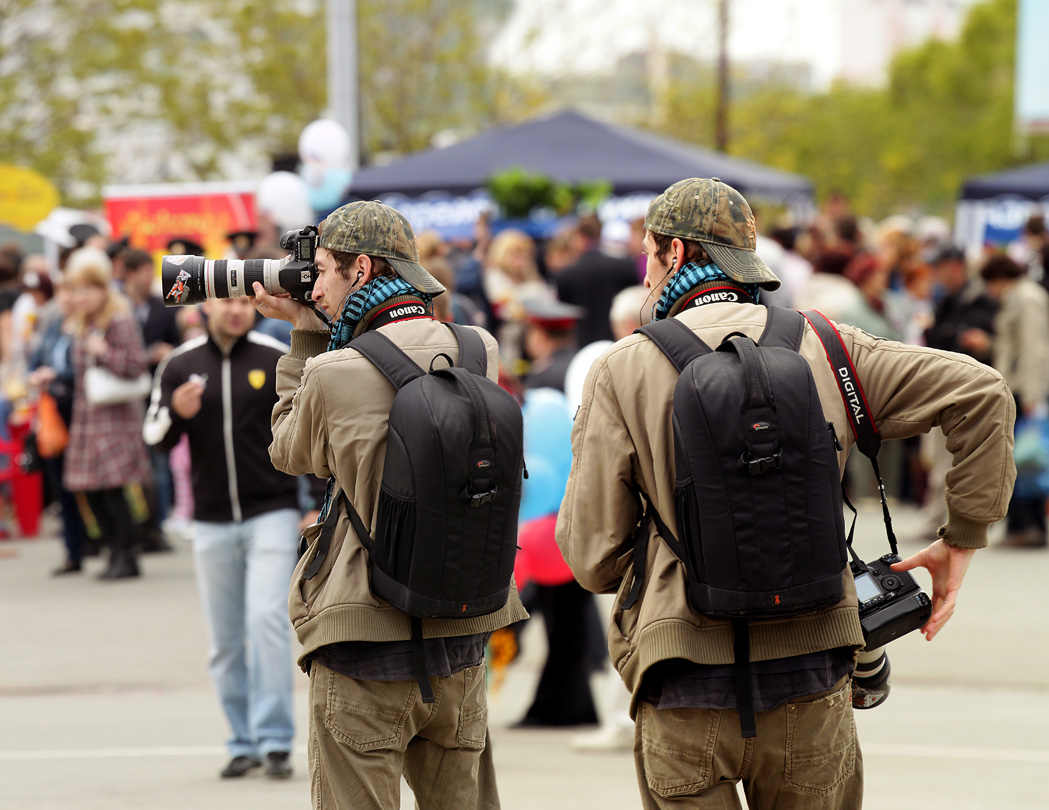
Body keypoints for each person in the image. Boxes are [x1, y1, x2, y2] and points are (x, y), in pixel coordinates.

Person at [556, 178, 1016, 809]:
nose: (645, 275)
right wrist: (961, 537)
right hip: (812, 678)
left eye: (648, 255)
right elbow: (982, 391)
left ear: (679, 255)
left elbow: (592, 556)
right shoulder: (827, 345)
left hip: (684, 682)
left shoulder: (622, 367)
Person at [251, 200, 528, 810]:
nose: (313, 286)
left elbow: (288, 451)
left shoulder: (331, 371)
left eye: (322, 269)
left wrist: (303, 338)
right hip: (460, 631)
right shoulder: (479, 349)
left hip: (363, 638)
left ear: (363, 268)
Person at [143, 295, 301, 779]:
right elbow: (153, 436)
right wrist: (175, 410)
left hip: (271, 511)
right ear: (204, 306)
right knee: (226, 639)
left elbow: (306, 430)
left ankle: (275, 739)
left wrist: (312, 499)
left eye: (244, 300)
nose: (236, 310)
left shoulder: (274, 358)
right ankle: (242, 741)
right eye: (225, 300)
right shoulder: (180, 363)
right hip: (210, 520)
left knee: (267, 620)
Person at [62, 247, 153, 581]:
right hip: (88, 416)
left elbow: (136, 365)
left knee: (114, 490)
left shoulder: (118, 319)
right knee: (93, 490)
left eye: (87, 289)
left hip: (115, 417)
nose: (81, 297)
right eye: (76, 291)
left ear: (102, 289)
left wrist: (104, 353)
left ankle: (127, 556)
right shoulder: (82, 323)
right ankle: (115, 551)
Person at [975, 254, 1049, 549]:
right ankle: (1026, 525)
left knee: (1021, 459)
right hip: (1019, 384)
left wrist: (1032, 395)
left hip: (1024, 387)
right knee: (1025, 457)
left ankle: (1026, 524)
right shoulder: (1022, 296)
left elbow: (1034, 348)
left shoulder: (1027, 298)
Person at [554, 214, 638, 345]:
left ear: (579, 237)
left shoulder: (565, 275)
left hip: (580, 346)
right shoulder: (624, 267)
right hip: (618, 342)